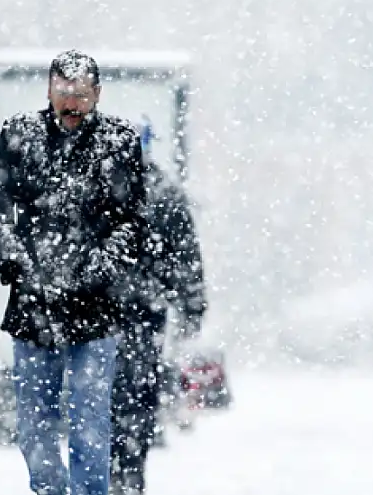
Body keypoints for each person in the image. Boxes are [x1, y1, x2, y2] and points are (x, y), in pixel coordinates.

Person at [0, 50, 147, 495]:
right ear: (49, 90)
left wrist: (100, 266)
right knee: (35, 421)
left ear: (97, 95)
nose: (71, 103)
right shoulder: (19, 134)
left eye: (81, 95)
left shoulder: (120, 140)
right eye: (63, 93)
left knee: (91, 420)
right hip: (34, 305)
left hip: (96, 304)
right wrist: (17, 262)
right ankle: (48, 491)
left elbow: (132, 219)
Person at [110, 122, 208, 495]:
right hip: (144, 312)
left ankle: (112, 468)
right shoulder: (164, 192)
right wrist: (191, 307)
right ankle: (129, 470)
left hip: (103, 314)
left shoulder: (95, 190)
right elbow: (187, 258)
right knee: (137, 393)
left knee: (104, 395)